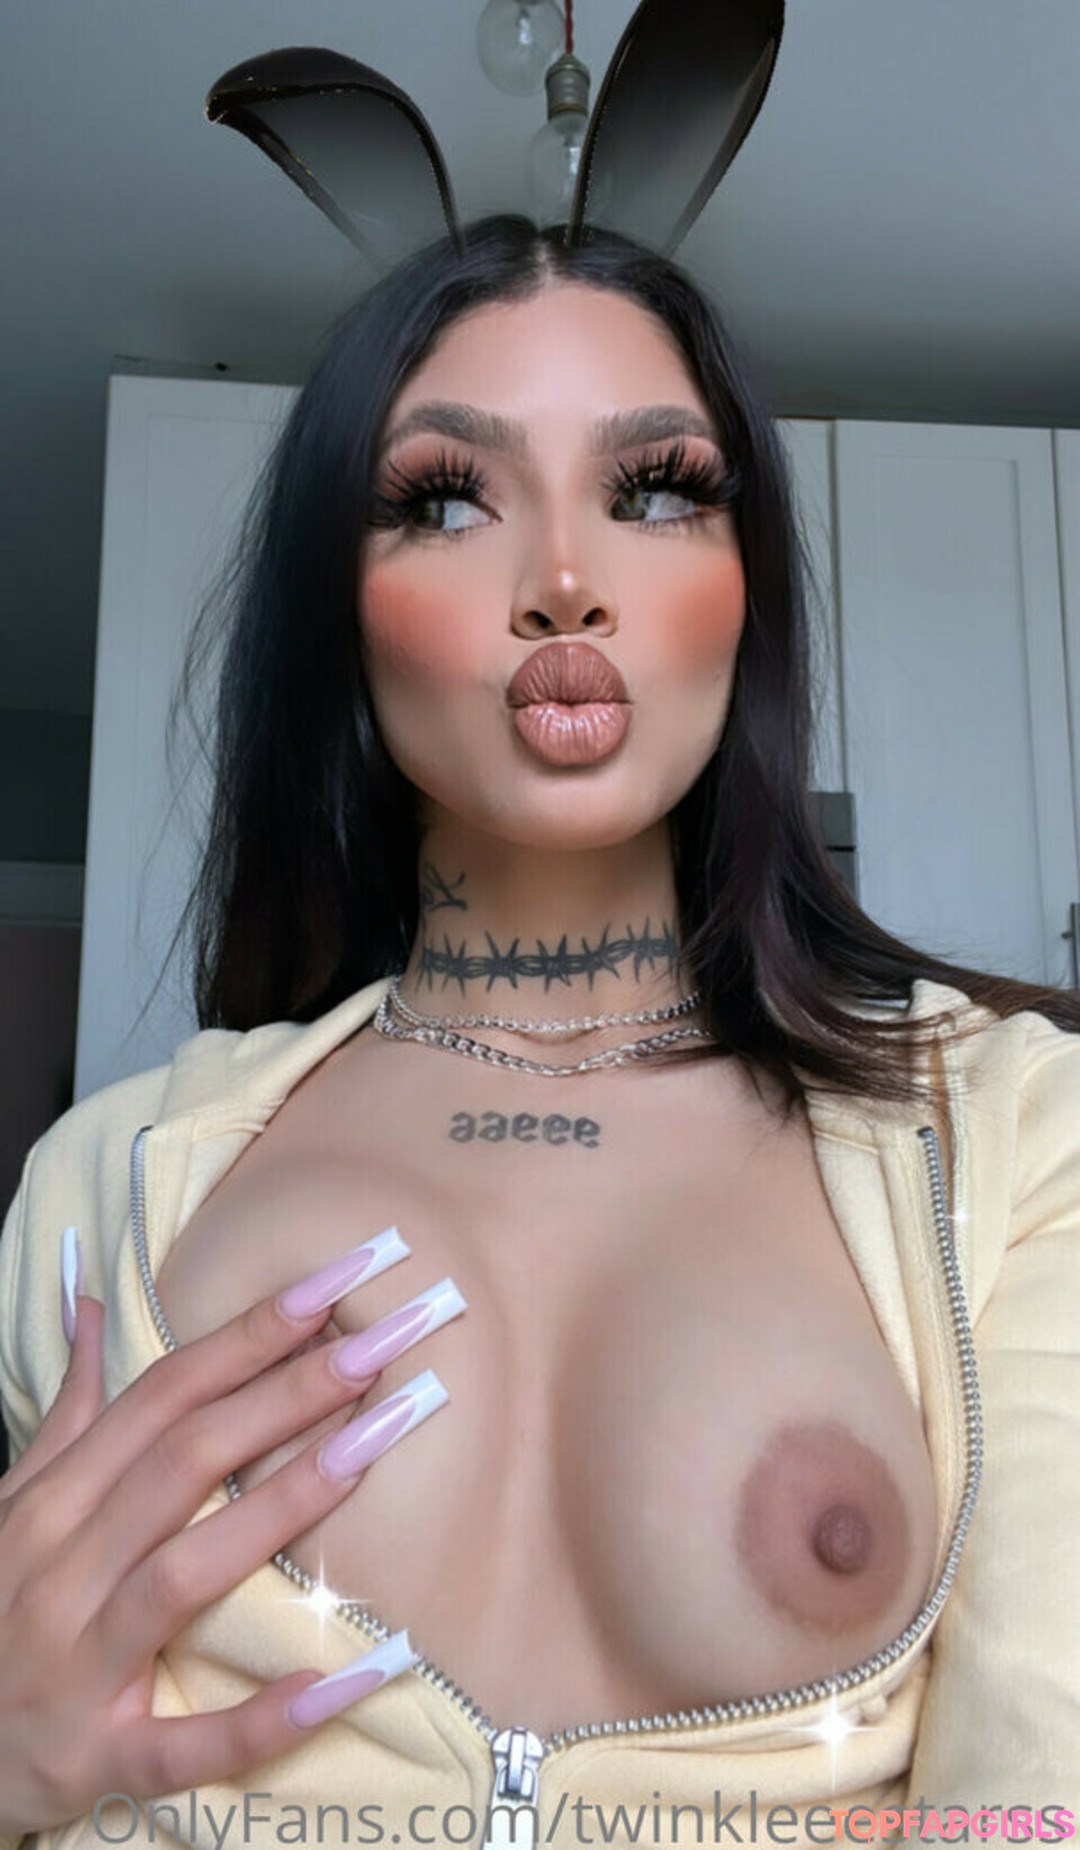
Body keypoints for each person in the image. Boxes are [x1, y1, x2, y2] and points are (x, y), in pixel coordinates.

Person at [2, 211, 1079, 1849]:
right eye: (447, 498)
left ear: (747, 584)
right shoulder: (107, 1183)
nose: (566, 581)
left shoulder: (1016, 1142)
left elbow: (1043, 1800)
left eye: (656, 490)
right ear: (341, 601)